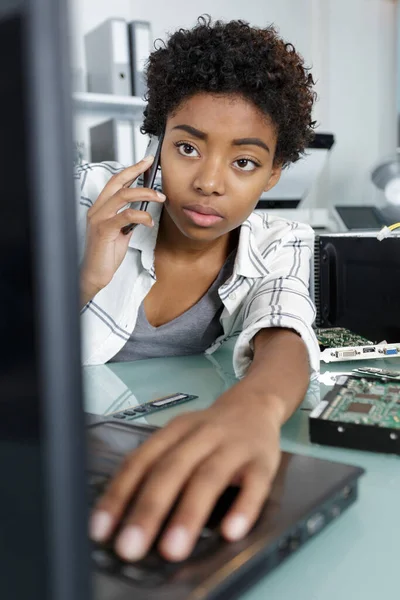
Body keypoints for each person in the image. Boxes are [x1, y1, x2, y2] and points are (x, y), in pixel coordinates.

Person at [77, 15, 320, 563]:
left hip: (166, 443)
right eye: (188, 148)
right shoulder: (88, 195)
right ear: (160, 139)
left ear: (274, 172)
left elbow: (285, 331)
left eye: (243, 162)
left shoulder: (282, 240)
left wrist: (255, 407)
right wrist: (84, 279)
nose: (210, 181)